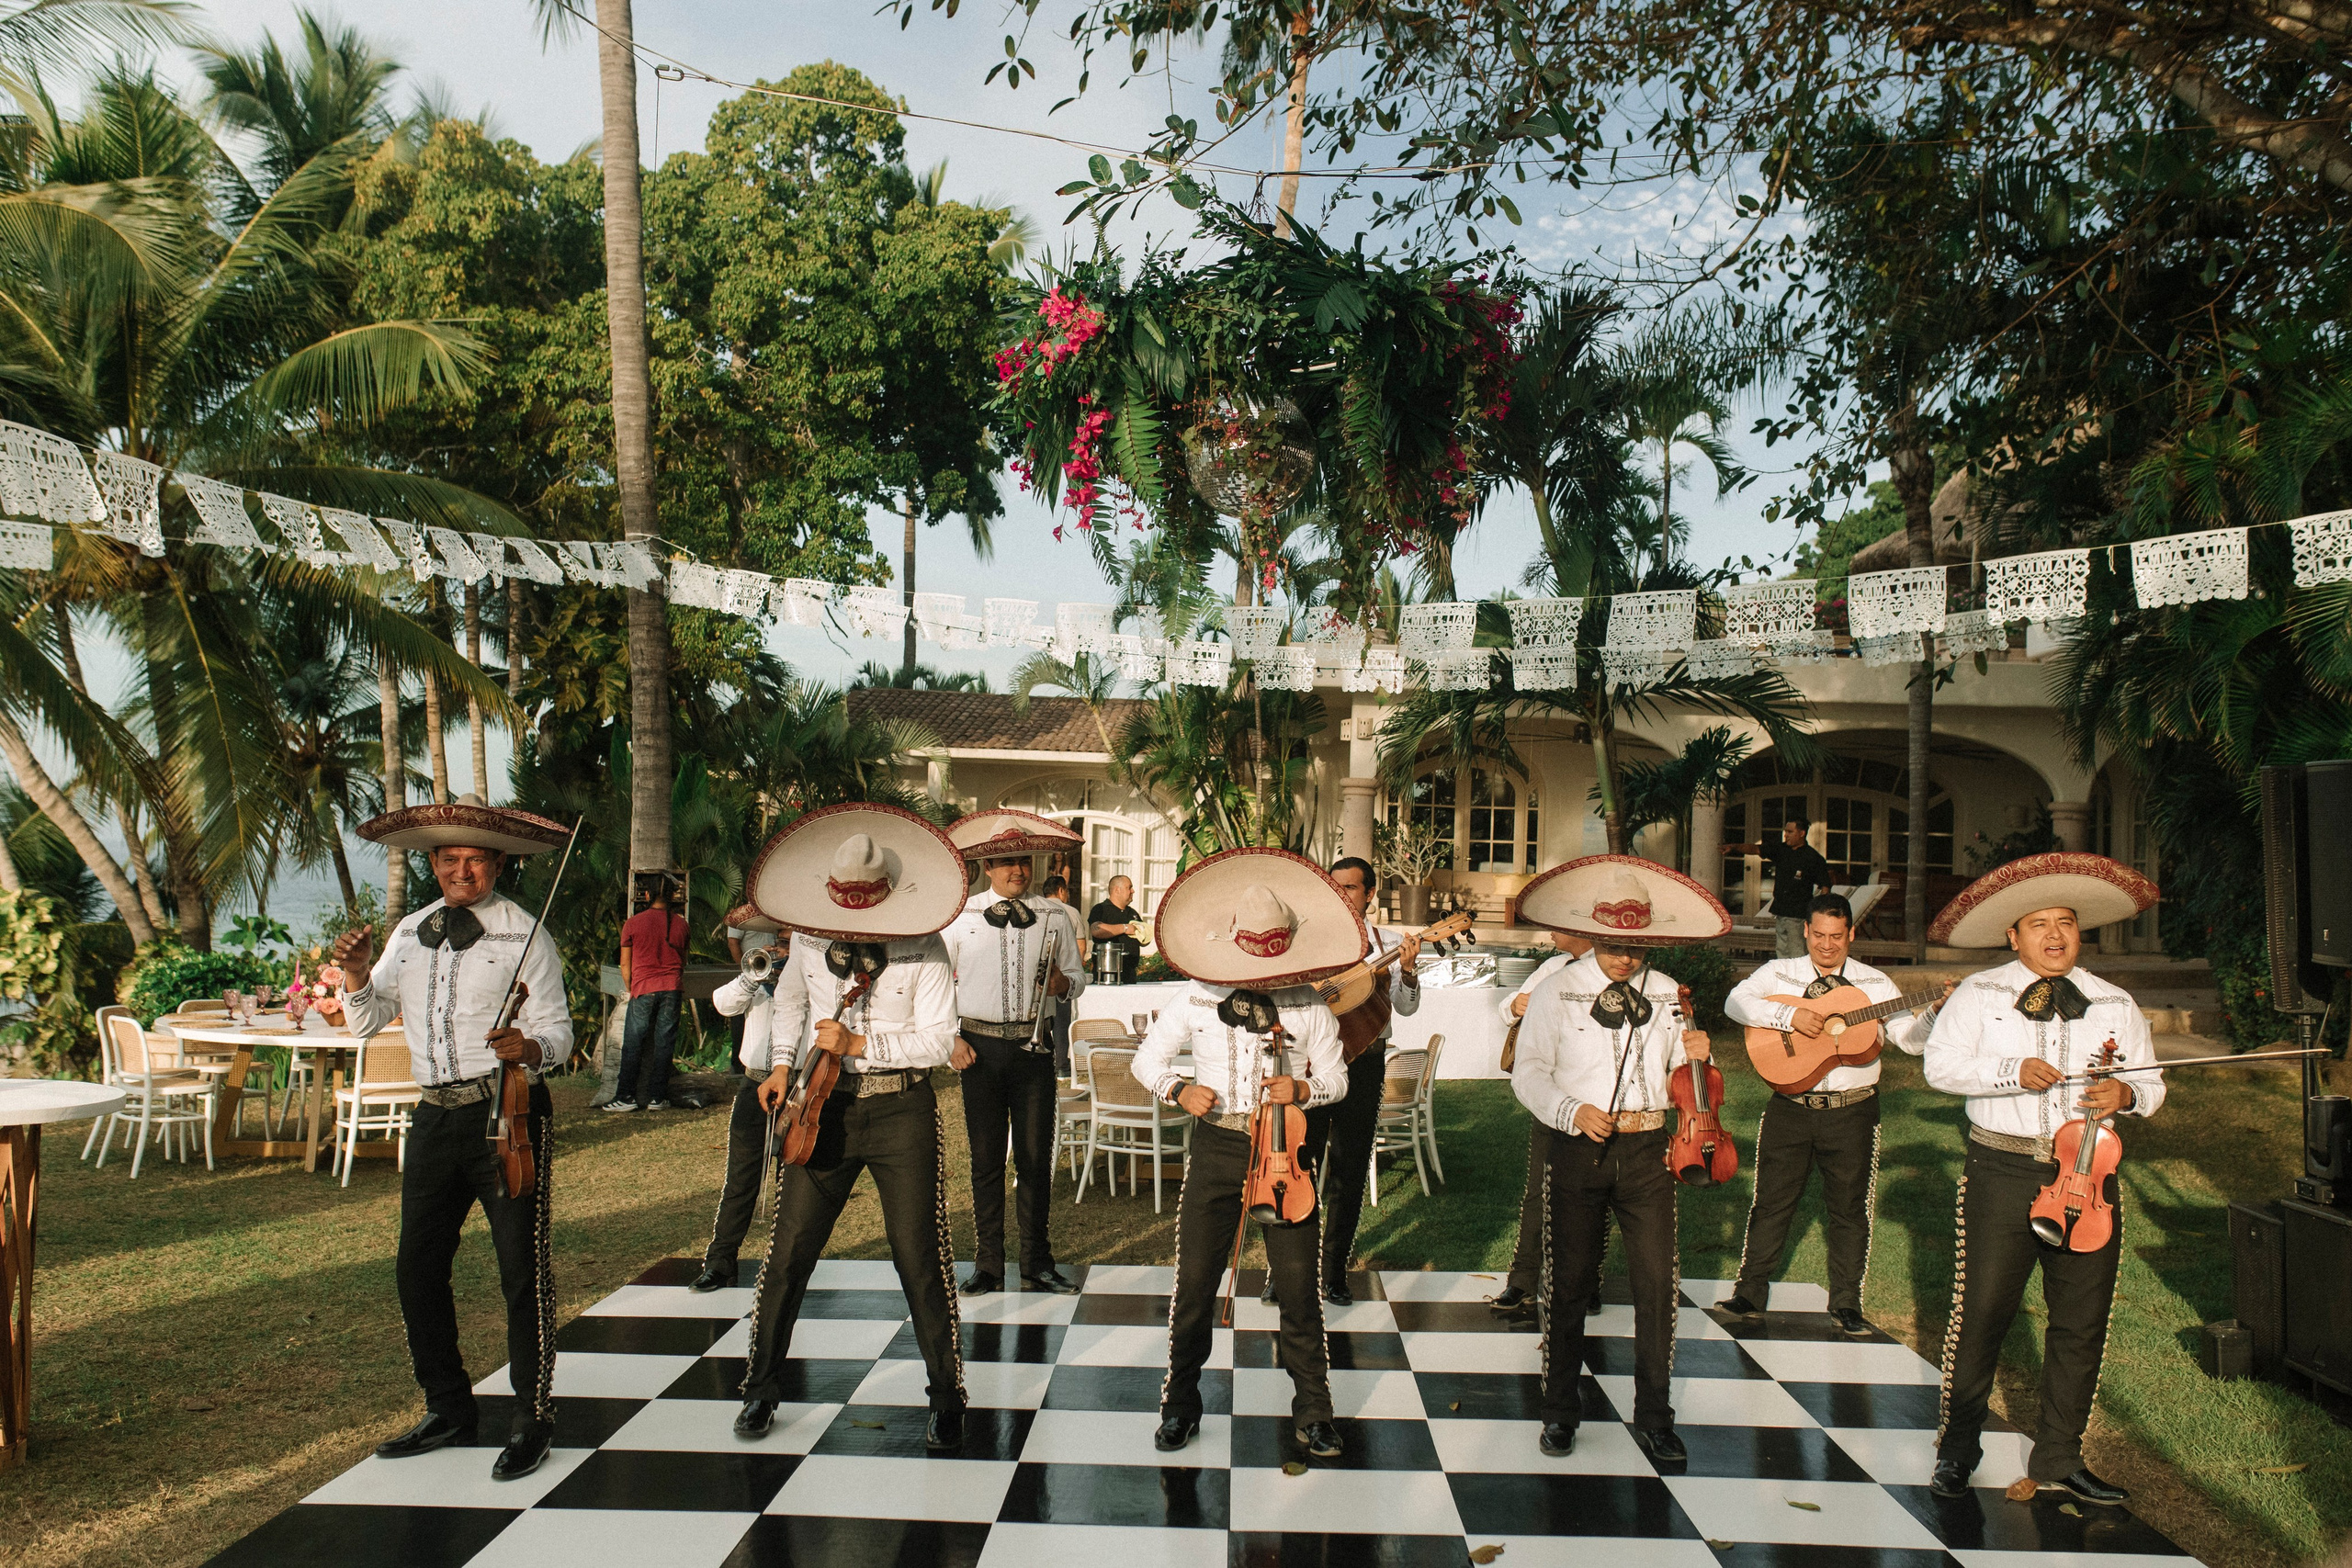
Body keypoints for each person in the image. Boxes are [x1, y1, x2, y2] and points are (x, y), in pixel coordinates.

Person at [332, 795, 573, 1481]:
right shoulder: (408, 931)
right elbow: (365, 1020)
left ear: (497, 863)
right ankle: (449, 1406)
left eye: (474, 858)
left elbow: (560, 1034)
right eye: (448, 858)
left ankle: (531, 1415)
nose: (460, 869)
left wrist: (529, 1045)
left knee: (519, 1269)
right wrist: (354, 975)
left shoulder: (526, 935)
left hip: (507, 1112)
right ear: (432, 862)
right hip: (433, 1115)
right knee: (416, 1265)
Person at [1923, 852, 2165, 1506]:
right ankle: (1956, 1449)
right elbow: (1938, 1066)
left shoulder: (2115, 1002)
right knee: (1984, 1314)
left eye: (2065, 923)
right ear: (2013, 934)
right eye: (2038, 924)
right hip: (2003, 1167)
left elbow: (2153, 1084)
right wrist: (2009, 1070)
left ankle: (2061, 1454)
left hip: (2090, 1174)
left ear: (2079, 933)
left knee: (2080, 1321)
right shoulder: (1980, 992)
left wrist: (2126, 1095)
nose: (2054, 935)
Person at [733, 805, 970, 1450]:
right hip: (823, 1104)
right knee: (789, 1252)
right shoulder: (809, 935)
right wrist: (781, 1065)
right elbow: (790, 1001)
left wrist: (861, 1040)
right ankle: (760, 1388)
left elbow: (939, 1040)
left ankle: (947, 1396)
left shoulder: (925, 941)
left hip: (901, 1107)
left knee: (919, 1255)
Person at [1131, 849, 1360, 1460]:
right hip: (1218, 1145)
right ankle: (1179, 1403)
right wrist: (1179, 1088)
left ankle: (1314, 1411)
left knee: (1297, 1286)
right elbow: (1146, 1058)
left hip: (1285, 1149)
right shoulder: (1198, 994)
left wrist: (1305, 1088)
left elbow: (1340, 1079)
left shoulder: (1308, 1001)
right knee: (1196, 1281)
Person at [1509, 854, 1732, 1465]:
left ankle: (1655, 1415)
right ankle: (1559, 1411)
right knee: (1569, 1280)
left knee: (1658, 1282)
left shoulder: (1668, 992)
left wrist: (1698, 1058)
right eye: (1613, 944)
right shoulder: (1556, 987)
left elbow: (1691, 1088)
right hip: (1578, 1146)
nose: (1625, 957)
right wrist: (1570, 1111)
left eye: (1636, 946)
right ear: (1593, 930)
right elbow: (1527, 1074)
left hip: (1648, 1148)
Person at [1719, 892, 1950, 1333]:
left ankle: (1846, 1301)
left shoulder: (1875, 984)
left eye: (1837, 937)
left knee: (1848, 1208)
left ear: (1851, 934)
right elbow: (1736, 1003)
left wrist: (1934, 1013)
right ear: (1806, 930)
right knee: (1771, 1201)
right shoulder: (1779, 972)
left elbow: (1909, 1040)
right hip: (1790, 1105)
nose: (1827, 945)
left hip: (1852, 1110)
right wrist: (1789, 1016)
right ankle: (1750, 1291)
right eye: (1819, 935)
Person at [942, 810, 1088, 1293]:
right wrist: (951, 1039)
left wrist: (1064, 982)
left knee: (1033, 1157)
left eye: (1023, 860)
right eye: (1006, 862)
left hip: (1034, 1050)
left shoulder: (1054, 915)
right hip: (978, 1049)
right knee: (985, 1160)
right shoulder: (959, 918)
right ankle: (987, 1265)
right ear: (987, 867)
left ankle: (1036, 1262)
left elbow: (1077, 979)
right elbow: (938, 986)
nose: (1017, 870)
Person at [1272, 855, 1418, 1307]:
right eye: (1334, 887)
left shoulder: (1388, 943)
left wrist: (1408, 972)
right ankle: (1288, 1273)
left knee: (1351, 1169)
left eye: (1351, 888)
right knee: (1302, 1166)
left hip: (1365, 1065)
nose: (1342, 894)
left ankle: (1334, 1273)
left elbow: (1407, 1007)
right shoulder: (1308, 941)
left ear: (1370, 893)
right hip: (1312, 1069)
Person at [1487, 925, 1591, 1318]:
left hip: (1597, 1098)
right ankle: (1523, 1280)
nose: (1550, 931)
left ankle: (1586, 1284)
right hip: (1552, 1096)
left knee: (1593, 1196)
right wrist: (1515, 1005)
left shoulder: (1607, 974)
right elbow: (1506, 1007)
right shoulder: (1553, 967)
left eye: (1559, 925)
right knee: (1539, 1189)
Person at [695, 919, 791, 1292]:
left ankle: (782, 1266)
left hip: (799, 1084)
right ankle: (720, 1262)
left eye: (786, 944)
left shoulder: (817, 979)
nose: (780, 949)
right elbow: (723, 1004)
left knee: (793, 1182)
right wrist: (754, 977)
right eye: (777, 942)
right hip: (754, 1082)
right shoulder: (759, 976)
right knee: (740, 1179)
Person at [611, 875, 688, 1111]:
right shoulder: (681, 924)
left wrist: (631, 988)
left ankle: (625, 1096)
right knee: (664, 1044)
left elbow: (626, 965)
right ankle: (657, 1097)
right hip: (672, 988)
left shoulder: (633, 923)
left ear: (646, 895)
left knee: (633, 1043)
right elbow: (683, 961)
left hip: (643, 988)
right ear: (673, 897)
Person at [1724, 818, 1837, 958]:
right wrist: (1734, 847)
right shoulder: (1781, 850)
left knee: (1797, 951)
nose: (1786, 835)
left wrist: (1820, 912)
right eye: (1785, 832)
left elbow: (1825, 884)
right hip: (1781, 911)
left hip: (1798, 914)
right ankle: (1784, 977)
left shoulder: (1812, 857)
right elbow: (1755, 849)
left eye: (1790, 832)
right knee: (1781, 950)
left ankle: (1799, 978)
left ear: (1802, 833)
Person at [723, 903, 782, 1075]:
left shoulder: (775, 911)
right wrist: (747, 971)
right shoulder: (741, 915)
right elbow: (733, 942)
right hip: (752, 971)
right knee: (741, 1021)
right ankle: (738, 1065)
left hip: (776, 971)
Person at [1040, 874, 1081, 1075]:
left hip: (1041, 979)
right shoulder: (1071, 912)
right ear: (1061, 891)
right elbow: (1080, 947)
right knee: (1062, 1023)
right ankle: (1062, 1067)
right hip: (1063, 977)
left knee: (1044, 1022)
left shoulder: (1033, 910)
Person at [1088, 874, 1147, 985]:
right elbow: (1096, 930)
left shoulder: (1133, 913)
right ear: (1117, 890)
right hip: (1106, 977)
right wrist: (1124, 928)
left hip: (1130, 976)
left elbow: (1142, 939)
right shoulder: (1101, 909)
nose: (1133, 891)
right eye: (1129, 887)